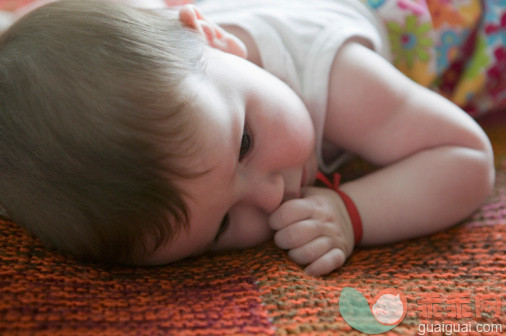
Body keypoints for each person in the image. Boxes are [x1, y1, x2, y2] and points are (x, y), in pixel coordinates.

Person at [0, 0, 496, 276]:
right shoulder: (202, 78)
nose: (272, 194)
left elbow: (466, 155)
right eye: (221, 227)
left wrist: (350, 212)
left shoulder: (334, 74)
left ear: (210, 34)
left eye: (244, 145)